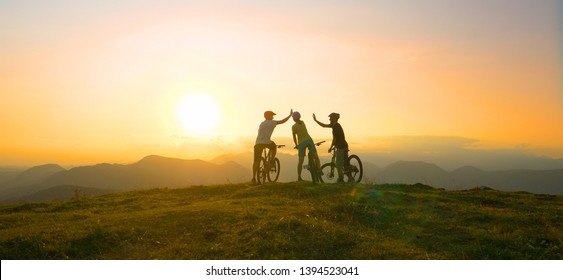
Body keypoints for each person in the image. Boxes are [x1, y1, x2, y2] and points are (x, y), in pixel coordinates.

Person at [252, 109, 293, 184]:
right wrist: (290, 116)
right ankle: (271, 161)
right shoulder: (272, 122)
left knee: (256, 161)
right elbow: (282, 121)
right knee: (274, 147)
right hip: (266, 142)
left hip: (257, 143)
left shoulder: (262, 123)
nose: (273, 117)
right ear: (268, 116)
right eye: (272, 115)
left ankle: (254, 178)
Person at [313, 112, 352, 183]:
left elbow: (335, 138)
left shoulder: (336, 127)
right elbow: (324, 125)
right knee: (344, 163)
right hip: (343, 145)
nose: (329, 119)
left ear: (334, 118)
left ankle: (341, 178)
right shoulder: (334, 125)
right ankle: (350, 178)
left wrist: (331, 147)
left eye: (330, 118)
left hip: (341, 146)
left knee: (338, 163)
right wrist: (316, 120)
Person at [291, 111, 321, 182]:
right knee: (316, 156)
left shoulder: (293, 126)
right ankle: (319, 170)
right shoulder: (303, 122)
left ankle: (299, 177)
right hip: (309, 140)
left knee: (300, 161)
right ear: (300, 117)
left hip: (301, 143)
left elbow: (294, 137)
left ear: (293, 119)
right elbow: (298, 120)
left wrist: (296, 145)